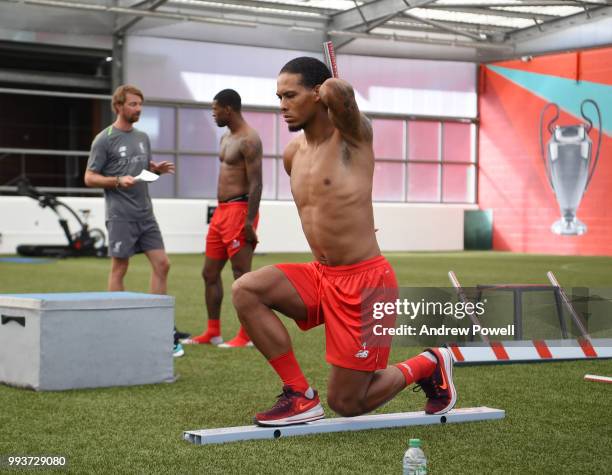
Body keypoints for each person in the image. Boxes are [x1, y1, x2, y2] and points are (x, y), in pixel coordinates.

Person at [231, 57, 457, 426]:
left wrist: (333, 88)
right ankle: (299, 396)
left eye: (290, 95)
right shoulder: (293, 154)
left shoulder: (354, 137)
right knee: (246, 290)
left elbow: (344, 98)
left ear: (318, 94)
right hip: (322, 277)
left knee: (347, 402)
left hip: (366, 285)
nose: (282, 106)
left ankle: (428, 364)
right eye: (279, 97)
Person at [84, 84, 188, 357]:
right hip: (120, 215)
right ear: (118, 106)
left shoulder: (142, 137)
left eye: (140, 104)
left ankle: (156, 325)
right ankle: (114, 325)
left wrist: (154, 169)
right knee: (120, 267)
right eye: (133, 104)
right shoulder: (104, 139)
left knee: (163, 264)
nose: (138, 109)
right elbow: (89, 177)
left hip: (145, 214)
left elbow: (139, 167)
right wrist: (117, 180)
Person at [186, 89, 263, 348]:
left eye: (215, 109)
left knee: (241, 275)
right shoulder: (225, 137)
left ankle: (247, 335)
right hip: (220, 212)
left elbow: (256, 183)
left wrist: (250, 221)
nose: (213, 113)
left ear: (228, 108)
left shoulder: (249, 139)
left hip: (240, 211)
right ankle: (213, 331)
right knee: (209, 273)